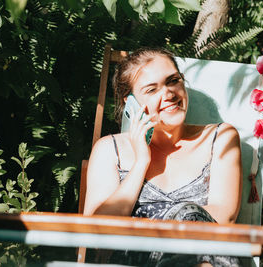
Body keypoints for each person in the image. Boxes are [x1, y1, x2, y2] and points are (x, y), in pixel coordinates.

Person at [83, 47, 243, 267]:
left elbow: (224, 216)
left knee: (191, 216)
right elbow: (96, 231)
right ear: (128, 104)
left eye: (173, 80)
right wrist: (141, 163)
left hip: (209, 257)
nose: (168, 94)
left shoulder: (219, 138)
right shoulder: (110, 150)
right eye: (151, 90)